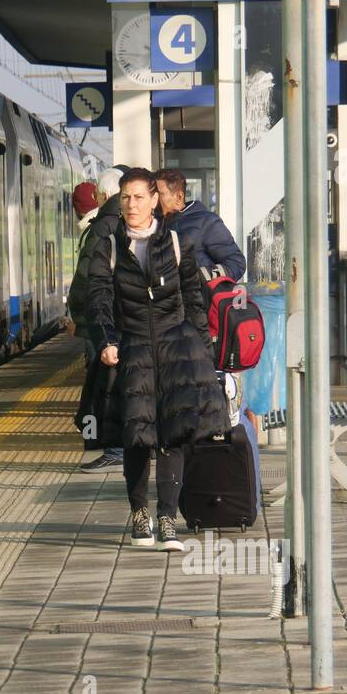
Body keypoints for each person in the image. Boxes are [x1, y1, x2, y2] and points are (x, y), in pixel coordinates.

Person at [87, 168, 229, 550]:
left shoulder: (178, 243)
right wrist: (106, 341)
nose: (130, 205)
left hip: (175, 349)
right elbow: (98, 298)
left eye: (138, 197)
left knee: (173, 435)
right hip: (132, 348)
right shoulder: (111, 245)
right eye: (125, 197)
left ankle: (168, 517)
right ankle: (139, 515)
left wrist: (203, 351)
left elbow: (194, 301)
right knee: (137, 435)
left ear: (154, 200)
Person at [70, 164, 130, 473]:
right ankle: (106, 443)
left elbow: (87, 279)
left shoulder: (102, 226)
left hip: (101, 321)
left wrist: (78, 312)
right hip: (115, 319)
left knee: (102, 386)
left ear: (103, 194)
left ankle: (107, 445)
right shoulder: (120, 222)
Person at [154, 169, 247, 280]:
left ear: (179, 197)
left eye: (159, 194)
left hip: (198, 295)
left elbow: (236, 263)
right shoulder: (153, 224)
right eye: (151, 194)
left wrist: (197, 278)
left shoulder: (206, 222)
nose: (154, 199)